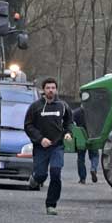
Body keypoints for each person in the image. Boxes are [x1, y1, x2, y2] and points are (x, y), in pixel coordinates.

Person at [22, 77, 73, 214]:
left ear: (56, 90)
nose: (50, 90)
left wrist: (68, 133)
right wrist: (40, 139)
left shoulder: (63, 106)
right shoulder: (35, 107)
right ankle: (34, 178)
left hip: (57, 146)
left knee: (56, 173)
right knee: (41, 175)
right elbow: (28, 126)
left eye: (53, 88)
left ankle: (51, 205)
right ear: (43, 90)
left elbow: (69, 122)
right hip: (41, 147)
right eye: (48, 88)